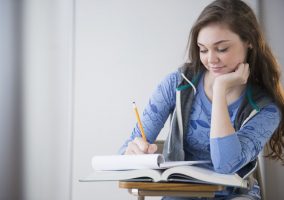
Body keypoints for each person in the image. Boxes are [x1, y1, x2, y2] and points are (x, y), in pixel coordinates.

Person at [119, 0, 284, 199]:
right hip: (179, 194)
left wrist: (220, 88)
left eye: (222, 49)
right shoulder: (178, 84)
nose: (211, 60)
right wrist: (132, 153)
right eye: (203, 49)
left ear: (249, 41)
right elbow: (125, 150)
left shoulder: (265, 108)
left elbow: (225, 164)